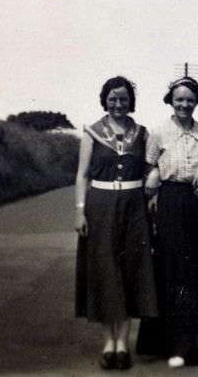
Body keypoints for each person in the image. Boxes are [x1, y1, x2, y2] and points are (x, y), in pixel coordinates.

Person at [135, 77, 198, 368]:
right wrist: (152, 176)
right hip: (170, 201)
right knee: (173, 272)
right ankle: (175, 346)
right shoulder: (158, 133)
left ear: (197, 101)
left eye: (190, 100)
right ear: (171, 102)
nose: (185, 105)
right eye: (179, 100)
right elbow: (149, 165)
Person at [75, 76, 157, 371]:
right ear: (105, 100)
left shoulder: (142, 133)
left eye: (123, 99)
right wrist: (79, 211)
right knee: (105, 272)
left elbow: (151, 165)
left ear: (130, 101)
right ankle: (108, 342)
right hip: (100, 208)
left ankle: (123, 342)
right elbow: (82, 175)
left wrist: (154, 173)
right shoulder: (92, 133)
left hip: (134, 209)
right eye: (113, 99)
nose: (118, 104)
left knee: (130, 273)